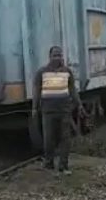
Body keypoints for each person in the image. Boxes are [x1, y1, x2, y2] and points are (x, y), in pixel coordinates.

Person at [32, 46, 81, 175]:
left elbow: (73, 90)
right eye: (54, 55)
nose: (57, 58)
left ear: (62, 57)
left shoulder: (67, 72)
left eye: (59, 55)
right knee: (49, 138)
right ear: (50, 57)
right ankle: (48, 163)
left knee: (65, 138)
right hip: (48, 111)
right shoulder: (41, 72)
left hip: (64, 110)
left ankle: (63, 166)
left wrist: (78, 104)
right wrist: (34, 108)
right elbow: (37, 91)